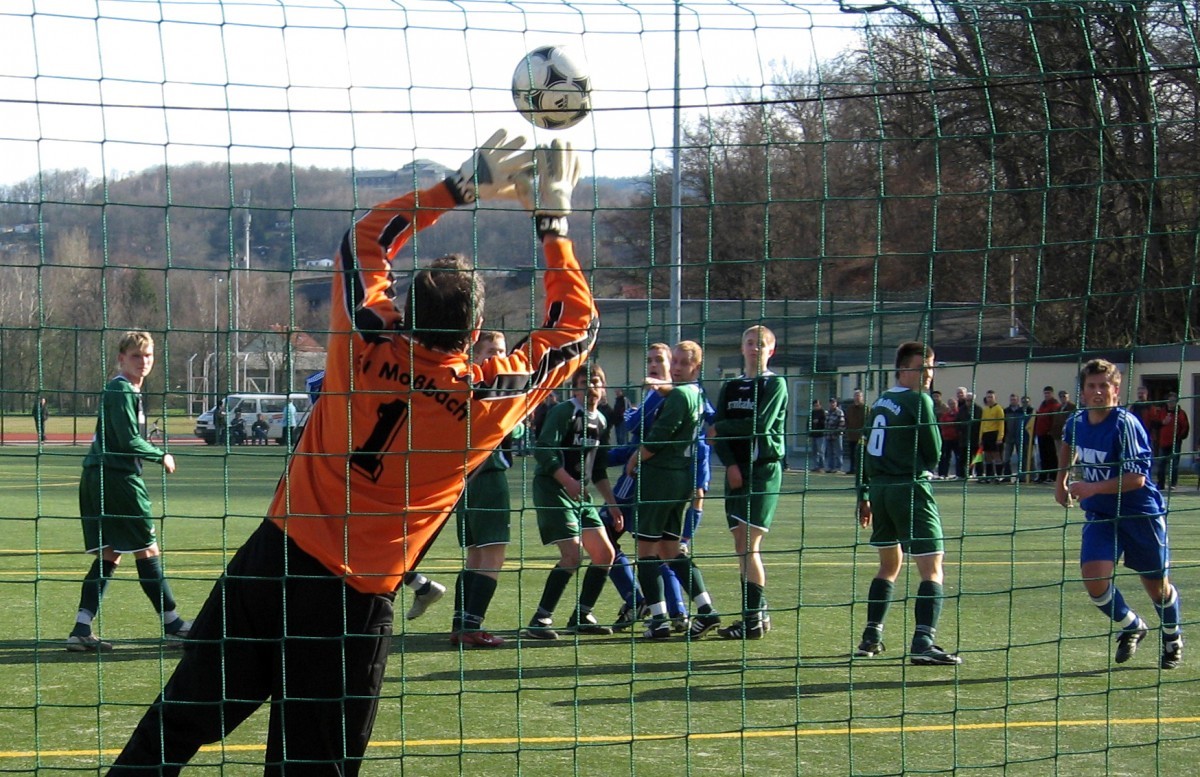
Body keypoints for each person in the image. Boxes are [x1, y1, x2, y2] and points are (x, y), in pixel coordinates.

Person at [108, 132, 598, 775]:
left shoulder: (366, 336)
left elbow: (364, 240)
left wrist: (459, 186)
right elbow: (577, 327)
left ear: (403, 308)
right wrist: (552, 219)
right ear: (475, 335)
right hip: (353, 603)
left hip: (273, 562)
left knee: (172, 728)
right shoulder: (486, 400)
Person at [66, 330, 190, 652]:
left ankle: (81, 627)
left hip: (96, 476)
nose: (143, 361)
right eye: (136, 355)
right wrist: (160, 454)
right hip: (118, 479)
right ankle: (173, 623)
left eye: (147, 355)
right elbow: (127, 441)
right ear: (121, 358)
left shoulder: (124, 389)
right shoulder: (121, 389)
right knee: (147, 549)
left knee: (111, 553)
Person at [1055, 359, 1183, 669]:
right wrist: (1061, 480)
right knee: (1094, 578)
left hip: (1140, 514)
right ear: (1083, 392)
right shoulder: (1076, 420)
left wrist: (1090, 488)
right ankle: (1132, 624)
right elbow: (1068, 442)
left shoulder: (1126, 424)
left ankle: (1172, 636)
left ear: (1115, 390)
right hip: (1101, 514)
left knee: (1156, 585)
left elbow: (1137, 478)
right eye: (1091, 386)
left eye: (1104, 386)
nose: (1098, 392)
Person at [855, 341, 962, 666]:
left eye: (930, 368)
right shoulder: (919, 400)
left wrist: (864, 496)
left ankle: (870, 637)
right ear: (903, 369)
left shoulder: (881, 401)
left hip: (880, 490)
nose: (928, 374)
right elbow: (934, 450)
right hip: (909, 488)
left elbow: (865, 451)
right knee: (932, 568)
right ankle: (923, 642)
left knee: (889, 565)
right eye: (921, 367)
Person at [524, 365, 623, 639]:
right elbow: (543, 449)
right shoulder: (564, 412)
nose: (590, 385)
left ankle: (582, 614)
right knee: (572, 555)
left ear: (603, 387)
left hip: (581, 495)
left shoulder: (602, 421)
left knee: (605, 554)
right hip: (553, 489)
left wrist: (612, 504)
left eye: (596, 380)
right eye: (583, 381)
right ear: (574, 387)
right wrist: (567, 481)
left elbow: (599, 469)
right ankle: (540, 619)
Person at [627, 341, 718, 639]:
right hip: (680, 478)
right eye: (674, 362)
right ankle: (706, 611)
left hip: (659, 479)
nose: (676, 368)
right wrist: (663, 388)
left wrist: (634, 457)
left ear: (696, 367)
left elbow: (658, 438)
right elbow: (681, 398)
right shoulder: (697, 393)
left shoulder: (680, 396)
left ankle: (659, 619)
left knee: (645, 552)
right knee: (670, 549)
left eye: (682, 364)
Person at [707, 326, 789, 640]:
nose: (755, 349)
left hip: (762, 470)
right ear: (742, 348)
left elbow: (760, 424)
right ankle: (759, 613)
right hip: (736, 471)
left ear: (772, 350)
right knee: (740, 544)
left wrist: (722, 427)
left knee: (749, 545)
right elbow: (718, 433)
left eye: (762, 344)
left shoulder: (775, 383)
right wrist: (729, 463)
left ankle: (752, 619)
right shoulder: (731, 385)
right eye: (751, 343)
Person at [606, 343, 689, 633]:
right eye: (649, 360)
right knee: (659, 550)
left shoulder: (677, 396)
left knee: (606, 540)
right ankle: (675, 609)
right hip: (643, 481)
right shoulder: (653, 398)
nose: (653, 364)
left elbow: (701, 429)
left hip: (647, 484)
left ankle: (641, 602)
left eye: (660, 360)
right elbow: (633, 443)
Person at [450, 331, 521, 648]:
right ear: (475, 356)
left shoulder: (463, 384)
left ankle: (460, 624)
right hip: (489, 477)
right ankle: (473, 627)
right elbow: (512, 427)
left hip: (464, 481)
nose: (498, 357)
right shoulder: (494, 390)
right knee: (493, 554)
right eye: (491, 351)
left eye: (502, 351)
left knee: (476, 555)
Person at [1155, 392, 1190, 492]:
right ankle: (1160, 484)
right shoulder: (1161, 412)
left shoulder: (1181, 413)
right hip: (1162, 442)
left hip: (1175, 442)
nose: (1171, 403)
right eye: (1169, 401)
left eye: (1173, 401)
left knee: (1174, 464)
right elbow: (1155, 424)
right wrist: (1162, 422)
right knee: (1161, 464)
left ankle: (1173, 484)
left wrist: (1179, 437)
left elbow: (1185, 426)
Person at [1033, 386, 1062, 482]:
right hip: (1041, 434)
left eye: (1048, 393)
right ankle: (1043, 476)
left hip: (1049, 434)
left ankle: (1053, 476)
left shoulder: (1055, 405)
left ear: (1052, 394)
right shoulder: (1043, 405)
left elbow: (1055, 420)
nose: (1046, 395)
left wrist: (1051, 431)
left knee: (1051, 456)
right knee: (1043, 456)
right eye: (1045, 393)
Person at [1001, 393, 1032, 483]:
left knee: (1021, 458)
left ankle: (1021, 477)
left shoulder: (1022, 411)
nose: (1013, 401)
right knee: (1006, 457)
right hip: (1008, 437)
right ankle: (1007, 476)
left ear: (1017, 401)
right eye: (1011, 399)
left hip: (1020, 437)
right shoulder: (1006, 411)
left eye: (1014, 399)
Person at [978, 390, 1005, 483]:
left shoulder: (998, 409)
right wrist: (980, 437)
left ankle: (999, 475)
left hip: (994, 433)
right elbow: (982, 423)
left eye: (991, 397)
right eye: (988, 397)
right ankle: (989, 476)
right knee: (987, 456)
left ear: (995, 398)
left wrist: (1000, 437)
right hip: (986, 434)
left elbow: (1001, 423)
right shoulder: (985, 409)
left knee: (996, 455)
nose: (989, 399)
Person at [936, 398, 960, 480]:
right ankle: (943, 474)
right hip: (947, 438)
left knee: (958, 457)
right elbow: (942, 423)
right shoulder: (946, 414)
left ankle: (959, 474)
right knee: (945, 457)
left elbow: (959, 424)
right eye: (950, 404)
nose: (952, 405)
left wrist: (952, 423)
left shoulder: (959, 413)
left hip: (957, 438)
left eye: (953, 403)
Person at [844, 389, 867, 475]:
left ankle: (862, 470)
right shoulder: (850, 409)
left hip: (862, 436)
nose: (857, 398)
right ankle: (852, 468)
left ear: (862, 397)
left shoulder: (866, 408)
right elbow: (847, 420)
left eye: (859, 396)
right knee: (852, 453)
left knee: (861, 454)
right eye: (856, 396)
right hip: (852, 435)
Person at [824, 397, 845, 473]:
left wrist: (837, 432)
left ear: (836, 403)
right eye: (831, 402)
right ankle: (830, 467)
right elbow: (826, 423)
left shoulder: (839, 412)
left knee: (838, 452)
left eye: (833, 402)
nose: (832, 404)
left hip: (837, 435)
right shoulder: (828, 412)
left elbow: (842, 423)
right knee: (830, 452)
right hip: (828, 435)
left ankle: (838, 467)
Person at [808, 399, 826, 473]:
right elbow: (808, 423)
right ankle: (816, 466)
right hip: (813, 435)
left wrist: (818, 422)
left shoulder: (822, 412)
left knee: (821, 451)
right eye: (814, 406)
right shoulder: (812, 413)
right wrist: (809, 434)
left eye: (817, 405)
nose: (816, 407)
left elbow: (825, 422)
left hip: (820, 434)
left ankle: (821, 466)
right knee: (814, 451)